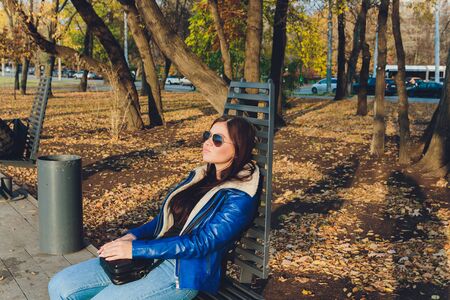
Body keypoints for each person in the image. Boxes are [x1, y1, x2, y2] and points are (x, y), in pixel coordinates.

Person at [48, 115, 262, 299]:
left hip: (183, 272)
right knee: (59, 285)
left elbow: (201, 244)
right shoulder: (202, 175)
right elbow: (165, 219)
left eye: (217, 140)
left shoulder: (240, 195)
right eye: (207, 135)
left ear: (237, 150)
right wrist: (133, 236)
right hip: (153, 251)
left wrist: (136, 249)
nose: (207, 142)